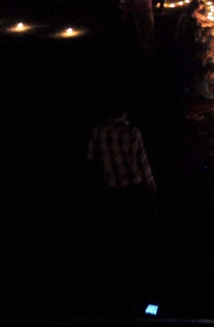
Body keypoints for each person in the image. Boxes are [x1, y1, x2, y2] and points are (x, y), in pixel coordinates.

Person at [86, 104, 158, 313]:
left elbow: (91, 158)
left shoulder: (98, 132)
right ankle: (151, 308)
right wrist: (151, 185)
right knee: (143, 239)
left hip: (114, 191)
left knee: (122, 240)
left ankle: (127, 299)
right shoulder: (132, 131)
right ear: (124, 113)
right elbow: (142, 163)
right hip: (136, 189)